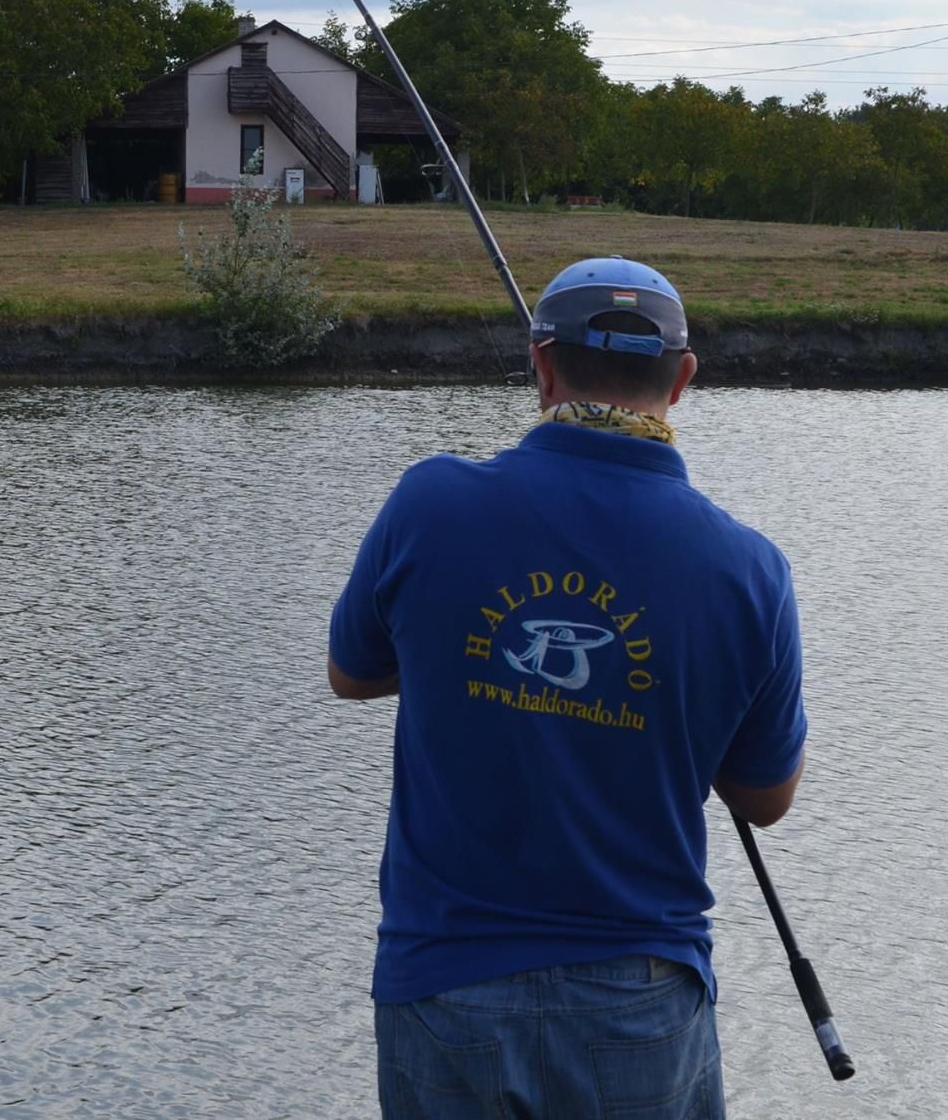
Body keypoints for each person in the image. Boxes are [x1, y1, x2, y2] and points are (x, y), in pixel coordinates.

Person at [327, 256, 809, 1119]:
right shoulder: (748, 569)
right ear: (684, 380)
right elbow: (764, 797)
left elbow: (351, 673)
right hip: (643, 1004)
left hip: (445, 991)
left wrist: (458, 650)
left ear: (539, 367)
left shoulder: (429, 503)